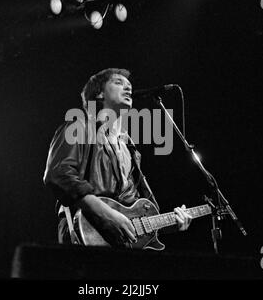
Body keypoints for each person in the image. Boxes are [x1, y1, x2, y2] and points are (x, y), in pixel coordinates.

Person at [43, 68, 192, 248]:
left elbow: (133, 215)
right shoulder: (79, 126)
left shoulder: (129, 146)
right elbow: (58, 174)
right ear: (99, 93)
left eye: (129, 86)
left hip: (123, 244)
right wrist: (109, 214)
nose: (128, 89)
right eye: (118, 83)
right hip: (86, 232)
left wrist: (170, 224)